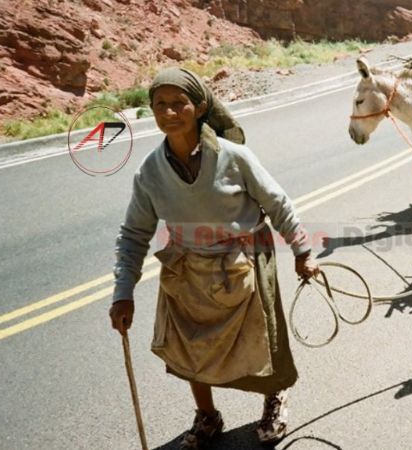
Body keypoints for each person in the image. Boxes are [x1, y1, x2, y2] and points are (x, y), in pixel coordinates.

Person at [109, 67, 319, 449]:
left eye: (179, 103)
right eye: (160, 105)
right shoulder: (150, 172)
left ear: (200, 106)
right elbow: (134, 235)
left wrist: (302, 251)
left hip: (244, 261)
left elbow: (278, 204)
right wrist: (123, 293)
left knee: (263, 339)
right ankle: (207, 415)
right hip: (187, 268)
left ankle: (274, 397)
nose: (169, 112)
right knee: (190, 347)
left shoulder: (235, 157)